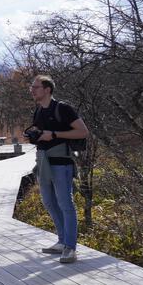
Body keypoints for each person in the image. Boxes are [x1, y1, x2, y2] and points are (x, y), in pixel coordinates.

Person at [28, 75, 89, 263]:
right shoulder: (38, 111)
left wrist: (54, 134)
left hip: (61, 163)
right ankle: (62, 242)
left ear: (47, 90)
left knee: (66, 205)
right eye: (32, 87)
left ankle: (71, 248)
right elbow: (41, 134)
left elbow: (83, 131)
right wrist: (34, 135)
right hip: (43, 163)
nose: (32, 90)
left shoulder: (63, 109)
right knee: (49, 203)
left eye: (36, 87)